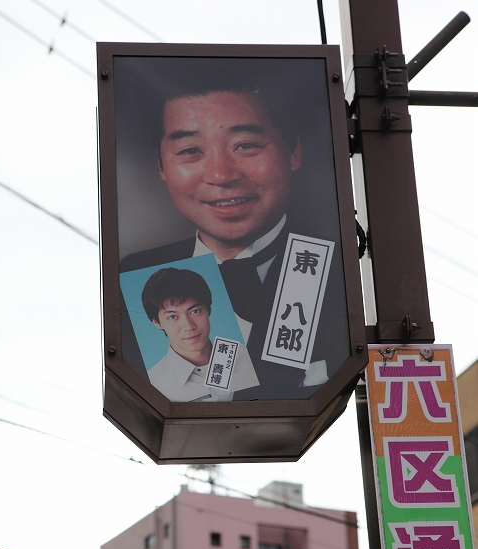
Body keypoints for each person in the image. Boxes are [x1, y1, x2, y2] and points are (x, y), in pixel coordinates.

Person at [121, 64, 349, 400]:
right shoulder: (133, 276)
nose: (220, 174)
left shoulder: (340, 269)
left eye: (245, 145)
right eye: (190, 151)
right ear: (160, 166)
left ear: (293, 151)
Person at [142, 267, 259, 402]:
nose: (189, 326)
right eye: (173, 317)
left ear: (208, 310)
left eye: (195, 311)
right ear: (157, 322)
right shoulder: (152, 384)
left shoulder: (250, 357)